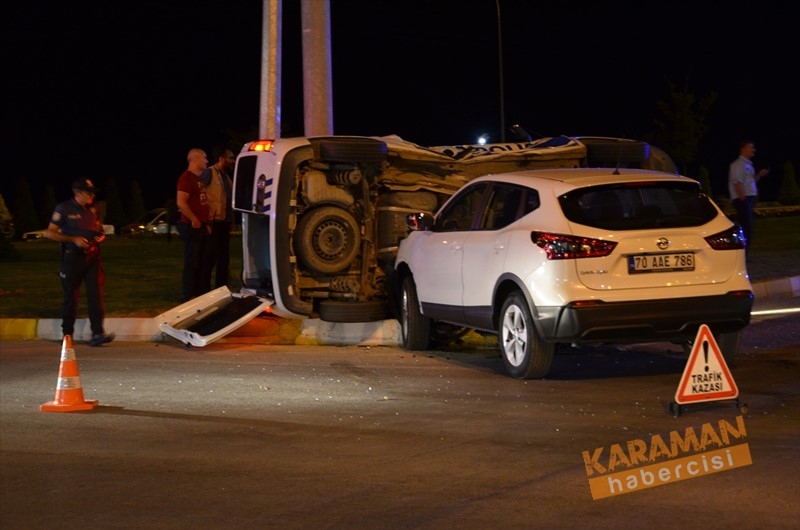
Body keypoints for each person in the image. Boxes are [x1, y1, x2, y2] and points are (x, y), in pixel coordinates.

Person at [45, 178, 115, 346]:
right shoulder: (64, 208)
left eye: (92, 193)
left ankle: (97, 333)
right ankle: (67, 334)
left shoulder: (93, 208)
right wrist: (73, 239)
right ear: (79, 193)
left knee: (95, 295)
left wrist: (100, 236)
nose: (92, 196)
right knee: (71, 296)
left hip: (92, 257)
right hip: (72, 257)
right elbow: (50, 233)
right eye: (89, 193)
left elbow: (98, 228)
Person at [176, 148, 210, 302]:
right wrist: (193, 219)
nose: (207, 161)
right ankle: (188, 295)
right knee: (192, 261)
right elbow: (181, 202)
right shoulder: (187, 178)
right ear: (195, 159)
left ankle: (198, 292)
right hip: (191, 226)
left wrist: (205, 222)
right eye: (204, 158)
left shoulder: (198, 179)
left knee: (201, 261)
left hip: (200, 225)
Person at [200, 145, 235, 290]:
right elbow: (200, 194)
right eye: (230, 157)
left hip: (224, 223)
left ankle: (221, 289)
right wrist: (205, 220)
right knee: (209, 259)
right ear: (221, 158)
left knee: (223, 259)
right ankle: (204, 290)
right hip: (213, 223)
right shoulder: (209, 173)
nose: (233, 161)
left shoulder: (226, 177)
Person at [728, 140, 769, 252]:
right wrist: (743, 199)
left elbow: (749, 182)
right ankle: (742, 253)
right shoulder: (738, 164)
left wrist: (759, 175)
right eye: (751, 147)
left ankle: (745, 252)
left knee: (748, 227)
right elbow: (737, 183)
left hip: (749, 198)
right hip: (743, 199)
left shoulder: (748, 165)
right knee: (746, 227)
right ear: (743, 149)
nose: (753, 150)